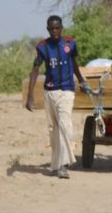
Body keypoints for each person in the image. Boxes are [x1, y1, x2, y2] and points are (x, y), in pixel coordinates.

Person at [24, 15, 89, 178]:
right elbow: (35, 70)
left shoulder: (70, 44)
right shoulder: (42, 47)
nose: (54, 31)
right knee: (53, 129)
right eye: (51, 28)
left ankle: (63, 165)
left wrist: (81, 81)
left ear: (61, 28)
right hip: (49, 92)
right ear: (47, 29)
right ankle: (55, 164)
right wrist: (30, 96)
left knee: (65, 126)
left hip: (67, 91)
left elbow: (74, 64)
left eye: (57, 28)